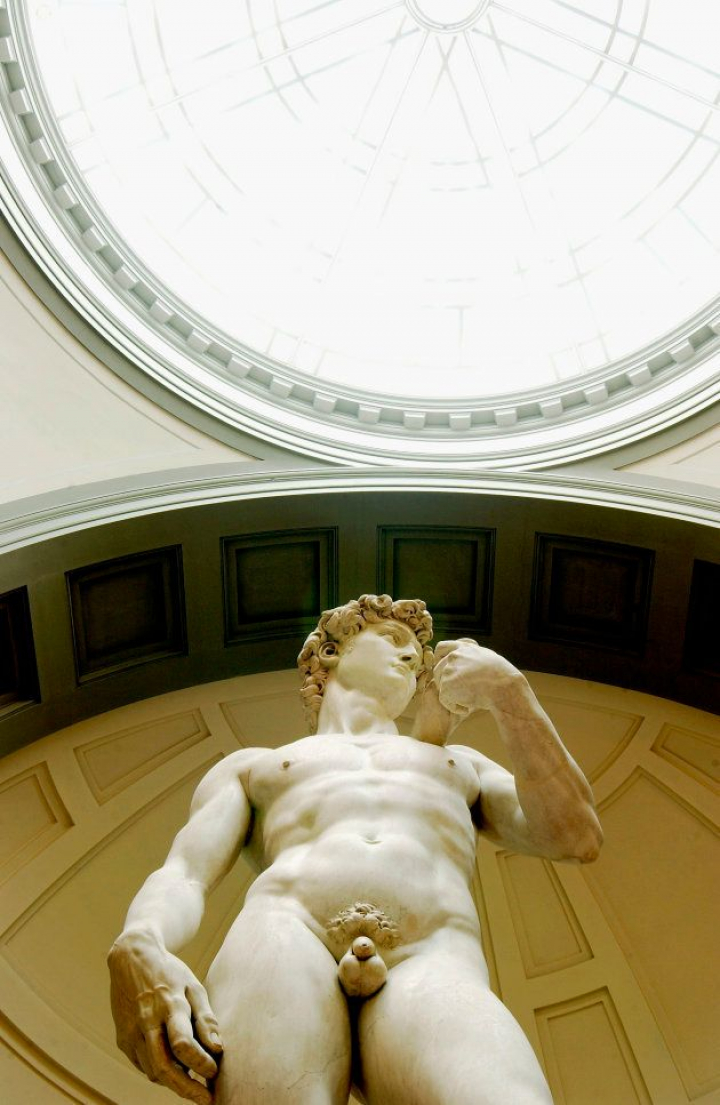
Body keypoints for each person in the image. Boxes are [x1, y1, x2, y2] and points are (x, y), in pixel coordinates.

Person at [108, 594, 602, 1105]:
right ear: (330, 652)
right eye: (393, 639)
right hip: (284, 933)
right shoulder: (256, 765)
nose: (411, 657)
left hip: (433, 954)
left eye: (418, 654)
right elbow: (185, 872)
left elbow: (575, 836)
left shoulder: (459, 764)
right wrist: (141, 937)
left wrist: (511, 695)